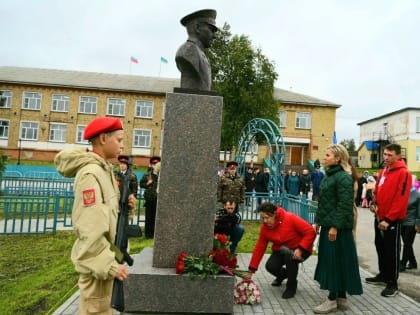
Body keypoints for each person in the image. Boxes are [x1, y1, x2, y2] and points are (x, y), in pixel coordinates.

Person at [54, 116, 136, 314]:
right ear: (102, 139)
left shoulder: (104, 170)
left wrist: (126, 206)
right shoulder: (91, 174)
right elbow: (89, 227)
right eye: (119, 140)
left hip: (106, 262)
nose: (122, 146)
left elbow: (107, 216)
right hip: (98, 269)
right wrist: (109, 266)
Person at [313, 144, 363, 313]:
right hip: (329, 224)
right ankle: (341, 297)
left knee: (333, 262)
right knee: (336, 261)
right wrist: (318, 221)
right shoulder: (329, 176)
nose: (324, 157)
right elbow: (324, 203)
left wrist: (334, 226)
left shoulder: (343, 177)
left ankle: (332, 299)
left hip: (337, 228)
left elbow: (344, 205)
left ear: (338, 158)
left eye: (328, 155)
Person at [366, 143, 411, 297]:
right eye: (384, 154)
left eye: (389, 155)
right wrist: (374, 203)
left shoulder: (403, 173)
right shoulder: (384, 170)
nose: (385, 157)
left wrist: (389, 219)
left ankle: (393, 283)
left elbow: (401, 198)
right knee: (380, 246)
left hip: (391, 220)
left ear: (398, 156)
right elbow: (377, 189)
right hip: (379, 216)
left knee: (392, 250)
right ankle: (383, 275)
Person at [248, 202, 316, 299]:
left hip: (301, 248)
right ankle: (283, 275)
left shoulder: (290, 218)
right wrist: (251, 270)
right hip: (281, 249)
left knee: (290, 259)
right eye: (262, 218)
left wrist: (300, 249)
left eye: (267, 217)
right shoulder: (265, 227)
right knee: (270, 266)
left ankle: (291, 286)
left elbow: (310, 231)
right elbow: (260, 247)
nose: (264, 221)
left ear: (275, 214)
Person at [175, 9, 218, 91]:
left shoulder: (199, 53)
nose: (214, 36)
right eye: (211, 30)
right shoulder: (187, 51)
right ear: (197, 28)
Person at [400, 175, 420, 272]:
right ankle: (413, 262)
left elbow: (419, 211)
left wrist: (418, 223)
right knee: (407, 243)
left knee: (407, 243)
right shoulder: (403, 193)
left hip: (412, 223)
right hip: (402, 222)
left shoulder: (417, 195)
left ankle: (403, 263)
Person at [140, 156, 161, 239]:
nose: (155, 165)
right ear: (151, 165)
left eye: (156, 164)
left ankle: (155, 235)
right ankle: (148, 235)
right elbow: (141, 184)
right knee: (149, 218)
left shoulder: (161, 175)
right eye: (153, 164)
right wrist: (147, 183)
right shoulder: (147, 175)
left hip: (158, 199)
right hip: (149, 199)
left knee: (156, 218)